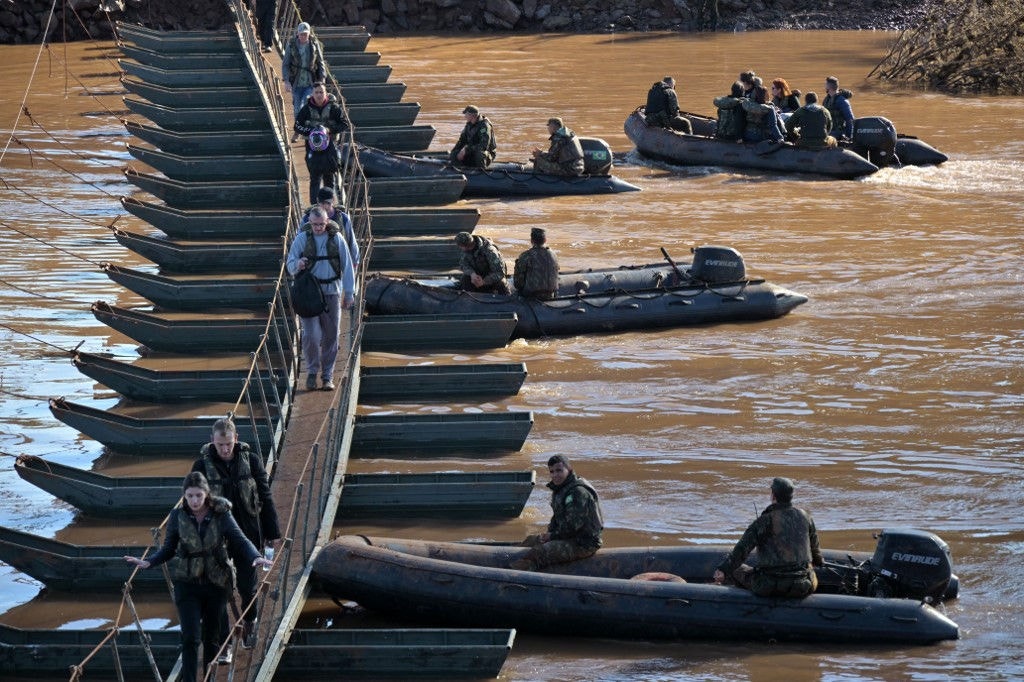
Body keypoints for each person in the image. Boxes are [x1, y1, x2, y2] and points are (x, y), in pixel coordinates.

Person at [124, 472, 272, 682]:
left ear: (206, 495)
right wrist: (150, 562)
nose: (194, 501)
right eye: (190, 496)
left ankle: (209, 678)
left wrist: (256, 556)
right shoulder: (177, 516)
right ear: (184, 495)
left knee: (211, 638)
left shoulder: (222, 514)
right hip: (187, 583)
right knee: (190, 638)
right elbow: (169, 548)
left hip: (217, 584)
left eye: (198, 496)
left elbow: (240, 540)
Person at [191, 418, 281, 651]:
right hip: (215, 539)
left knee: (246, 586)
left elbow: (265, 495)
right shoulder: (200, 467)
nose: (225, 449)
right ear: (212, 441)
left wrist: (272, 533)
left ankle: (250, 620)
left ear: (236, 439)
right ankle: (224, 640)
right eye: (220, 444)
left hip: (248, 535)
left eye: (228, 444)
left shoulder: (251, 461)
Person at [713, 477, 824, 598]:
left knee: (736, 570)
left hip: (770, 586)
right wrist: (819, 561)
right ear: (791, 496)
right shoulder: (806, 517)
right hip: (805, 585)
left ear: (773, 496)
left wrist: (722, 570)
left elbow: (740, 551)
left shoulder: (764, 521)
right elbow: (816, 552)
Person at [286, 206, 355, 390]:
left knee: (331, 336)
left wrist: (349, 293)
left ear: (327, 222)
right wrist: (298, 264)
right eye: (315, 225)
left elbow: (347, 266)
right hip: (309, 294)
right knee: (311, 335)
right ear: (310, 223)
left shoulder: (337, 239)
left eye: (322, 224)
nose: (318, 228)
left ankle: (327, 377)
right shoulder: (302, 239)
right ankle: (311, 371)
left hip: (332, 292)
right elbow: (290, 263)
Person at [510, 455, 604, 572]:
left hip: (584, 543)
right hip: (569, 537)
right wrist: (549, 533)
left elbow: (573, 526)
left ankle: (516, 576)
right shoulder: (561, 489)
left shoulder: (578, 493)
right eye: (552, 471)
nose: (555, 475)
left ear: (569, 470)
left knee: (540, 552)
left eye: (559, 470)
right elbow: (557, 518)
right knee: (531, 540)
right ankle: (512, 562)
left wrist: (552, 536)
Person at [294, 81, 348, 205]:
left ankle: (330, 206)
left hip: (330, 147)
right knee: (315, 178)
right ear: (312, 94)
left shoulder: (334, 108)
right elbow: (297, 126)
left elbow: (344, 124)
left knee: (329, 177)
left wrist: (329, 130)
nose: (319, 95)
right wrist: (311, 131)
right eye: (316, 92)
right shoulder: (306, 109)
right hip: (312, 147)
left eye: (321, 92)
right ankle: (314, 206)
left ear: (326, 93)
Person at [302, 187, 359, 270]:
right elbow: (298, 241)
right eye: (322, 202)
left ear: (333, 200)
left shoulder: (344, 218)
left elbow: (351, 241)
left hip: (337, 264)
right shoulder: (306, 219)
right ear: (317, 200)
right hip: (313, 264)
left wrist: (354, 262)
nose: (325, 205)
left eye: (328, 202)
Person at [281, 22, 325, 128]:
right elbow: (285, 64)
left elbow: (320, 61)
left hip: (310, 82)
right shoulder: (291, 45)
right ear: (298, 34)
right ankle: (298, 129)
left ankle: (307, 129)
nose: (303, 36)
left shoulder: (314, 44)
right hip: (296, 82)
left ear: (309, 34)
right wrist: (286, 81)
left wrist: (322, 78)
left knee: (307, 103)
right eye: (301, 34)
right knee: (297, 109)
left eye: (305, 34)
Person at [453, 231, 510, 295]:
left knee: (501, 283)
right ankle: (470, 298)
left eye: (460, 246)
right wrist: (472, 274)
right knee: (465, 279)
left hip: (491, 278)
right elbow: (463, 264)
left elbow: (499, 273)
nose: (459, 248)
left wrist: (484, 281)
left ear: (466, 246)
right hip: (477, 277)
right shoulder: (465, 250)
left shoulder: (490, 251)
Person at [513, 227, 559, 300]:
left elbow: (518, 283)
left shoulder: (526, 256)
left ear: (531, 240)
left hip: (531, 297)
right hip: (550, 295)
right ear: (545, 240)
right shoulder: (554, 255)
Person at [823, 75, 855, 141]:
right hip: (829, 130)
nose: (824, 86)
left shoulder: (842, 101)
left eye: (825, 84)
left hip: (839, 132)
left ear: (828, 87)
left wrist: (849, 137)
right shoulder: (827, 100)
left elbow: (850, 120)